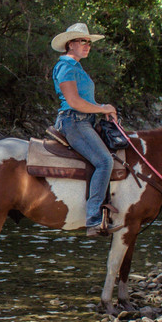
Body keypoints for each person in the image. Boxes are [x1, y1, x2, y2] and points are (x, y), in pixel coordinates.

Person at [51, 23, 119, 236]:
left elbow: (84, 101)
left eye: (89, 42)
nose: (87, 45)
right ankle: (93, 218)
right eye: (83, 41)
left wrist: (103, 111)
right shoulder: (66, 67)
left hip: (84, 120)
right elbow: (73, 101)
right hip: (74, 121)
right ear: (70, 44)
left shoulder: (77, 67)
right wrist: (103, 108)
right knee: (105, 161)